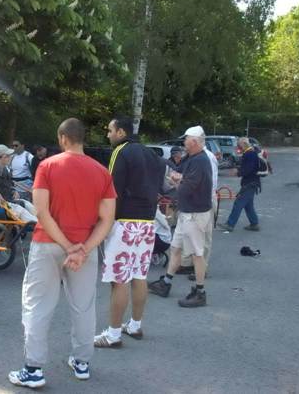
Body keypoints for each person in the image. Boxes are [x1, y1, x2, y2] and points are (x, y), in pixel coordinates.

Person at [8, 118, 116, 388]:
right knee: (83, 307)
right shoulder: (102, 172)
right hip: (85, 248)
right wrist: (83, 249)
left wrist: (68, 247)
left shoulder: (47, 166)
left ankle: (33, 369)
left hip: (48, 244)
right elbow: (107, 219)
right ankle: (81, 362)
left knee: (37, 305)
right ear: (82, 138)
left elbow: (41, 212)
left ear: (63, 138)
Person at [94, 117, 165, 348]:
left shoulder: (121, 151)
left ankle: (113, 334)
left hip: (124, 223)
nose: (108, 135)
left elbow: (111, 189)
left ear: (121, 132)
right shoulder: (152, 154)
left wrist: (104, 223)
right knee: (139, 275)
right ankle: (135, 325)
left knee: (118, 280)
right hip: (147, 223)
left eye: (110, 130)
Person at [148, 126, 213, 307]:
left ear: (194, 141)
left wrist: (177, 181)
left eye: (186, 140)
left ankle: (200, 292)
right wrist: (177, 178)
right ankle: (166, 283)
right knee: (175, 249)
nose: (183, 143)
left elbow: (186, 188)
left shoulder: (200, 161)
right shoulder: (193, 158)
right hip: (187, 212)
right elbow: (178, 171)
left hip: (195, 214)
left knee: (197, 254)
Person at [183, 143, 219, 281]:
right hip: (198, 201)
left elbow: (209, 182)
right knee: (192, 236)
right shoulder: (196, 157)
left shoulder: (205, 158)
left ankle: (201, 270)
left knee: (204, 237)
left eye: (186, 141)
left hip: (204, 201)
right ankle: (192, 265)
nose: (184, 145)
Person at [218, 137, 261, 232]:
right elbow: (249, 167)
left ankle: (230, 224)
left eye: (239, 145)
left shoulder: (249, 154)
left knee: (238, 203)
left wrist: (238, 172)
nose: (238, 147)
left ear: (243, 145)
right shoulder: (251, 153)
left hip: (249, 183)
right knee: (248, 205)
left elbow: (248, 169)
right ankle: (254, 224)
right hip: (252, 183)